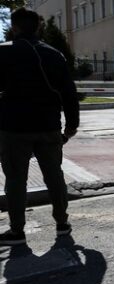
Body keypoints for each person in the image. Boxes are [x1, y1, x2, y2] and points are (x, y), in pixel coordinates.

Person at [0, 7, 79, 245]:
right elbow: (69, 93)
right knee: (54, 176)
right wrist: (71, 125)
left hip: (13, 128)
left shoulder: (3, 53)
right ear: (39, 27)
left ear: (14, 27)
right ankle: (62, 223)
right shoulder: (55, 55)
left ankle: (16, 231)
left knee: (15, 179)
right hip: (49, 126)